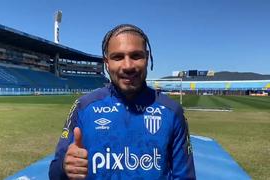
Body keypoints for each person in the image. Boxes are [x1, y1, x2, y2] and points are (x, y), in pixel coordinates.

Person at [49, 24, 196, 179]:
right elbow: (54, 173)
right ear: (107, 63)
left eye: (136, 56)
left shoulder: (172, 111)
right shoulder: (83, 107)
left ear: (147, 58)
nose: (128, 66)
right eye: (118, 57)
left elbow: (185, 176)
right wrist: (65, 167)